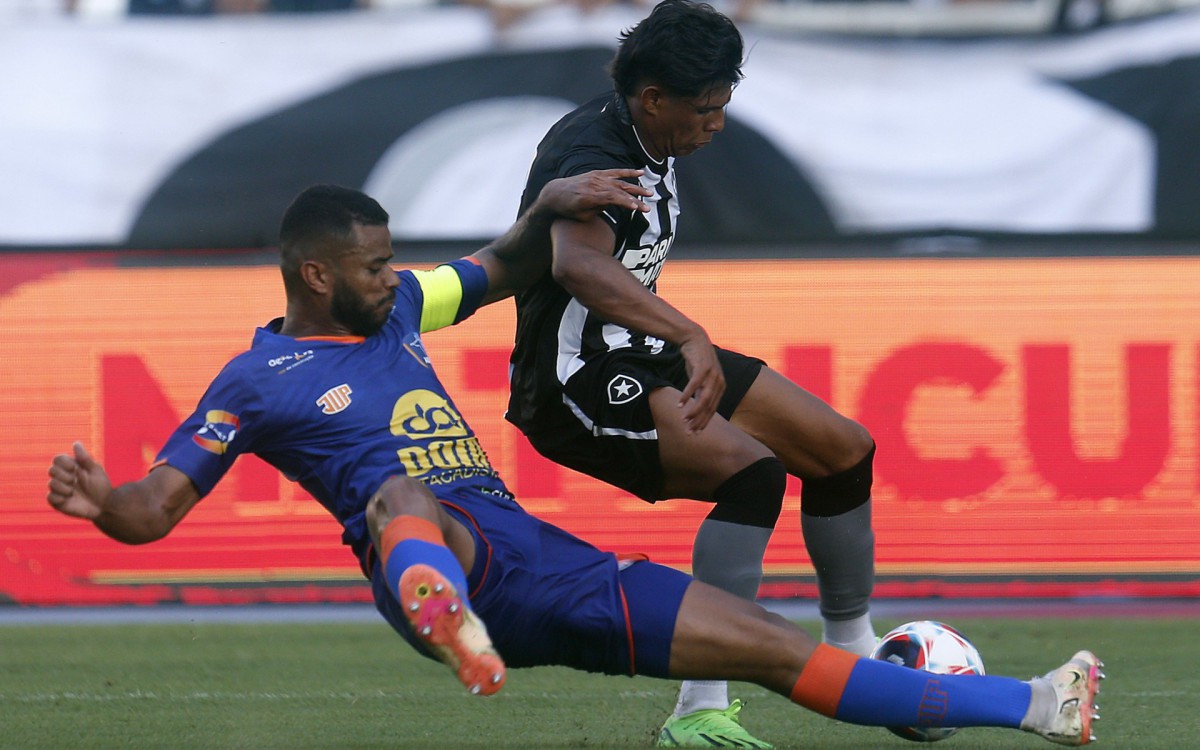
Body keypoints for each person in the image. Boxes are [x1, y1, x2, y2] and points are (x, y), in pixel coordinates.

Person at [46, 178, 1102, 748]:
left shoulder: (405, 305)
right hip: (430, 552)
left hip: (541, 564)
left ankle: (1034, 708)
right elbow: (151, 514)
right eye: (372, 265)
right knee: (400, 494)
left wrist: (555, 201)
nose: (394, 275)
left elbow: (501, 268)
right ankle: (448, 619)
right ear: (316, 273)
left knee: (776, 652)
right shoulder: (257, 379)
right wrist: (105, 504)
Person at [507, 2, 876, 745]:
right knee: (752, 474)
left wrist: (676, 338)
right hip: (575, 377)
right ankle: (699, 709)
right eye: (707, 109)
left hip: (638, 349)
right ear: (653, 99)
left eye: (724, 104)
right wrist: (689, 332)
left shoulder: (644, 132)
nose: (717, 122)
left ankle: (855, 655)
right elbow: (576, 263)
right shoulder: (595, 153)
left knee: (842, 449)